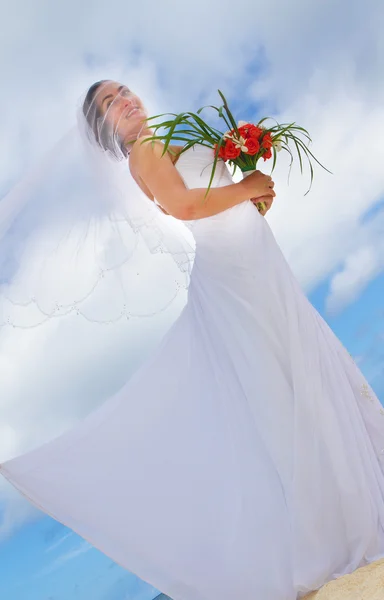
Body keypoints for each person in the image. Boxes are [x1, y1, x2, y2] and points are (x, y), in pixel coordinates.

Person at [1, 80, 384, 600]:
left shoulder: (166, 138)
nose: (125, 100)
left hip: (249, 259)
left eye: (123, 90)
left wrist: (243, 185)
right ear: (106, 130)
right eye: (110, 103)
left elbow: (191, 200)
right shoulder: (148, 150)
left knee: (295, 375)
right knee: (288, 385)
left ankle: (346, 509)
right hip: (237, 275)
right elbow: (181, 207)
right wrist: (247, 189)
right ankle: (339, 525)